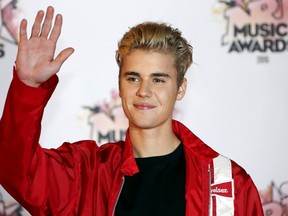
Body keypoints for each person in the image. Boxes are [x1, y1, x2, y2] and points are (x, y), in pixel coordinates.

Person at [0, 6, 264, 216]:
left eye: (158, 79)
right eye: (133, 78)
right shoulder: (85, 173)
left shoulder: (228, 184)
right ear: (120, 85)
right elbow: (15, 171)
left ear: (180, 89)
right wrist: (28, 87)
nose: (144, 91)